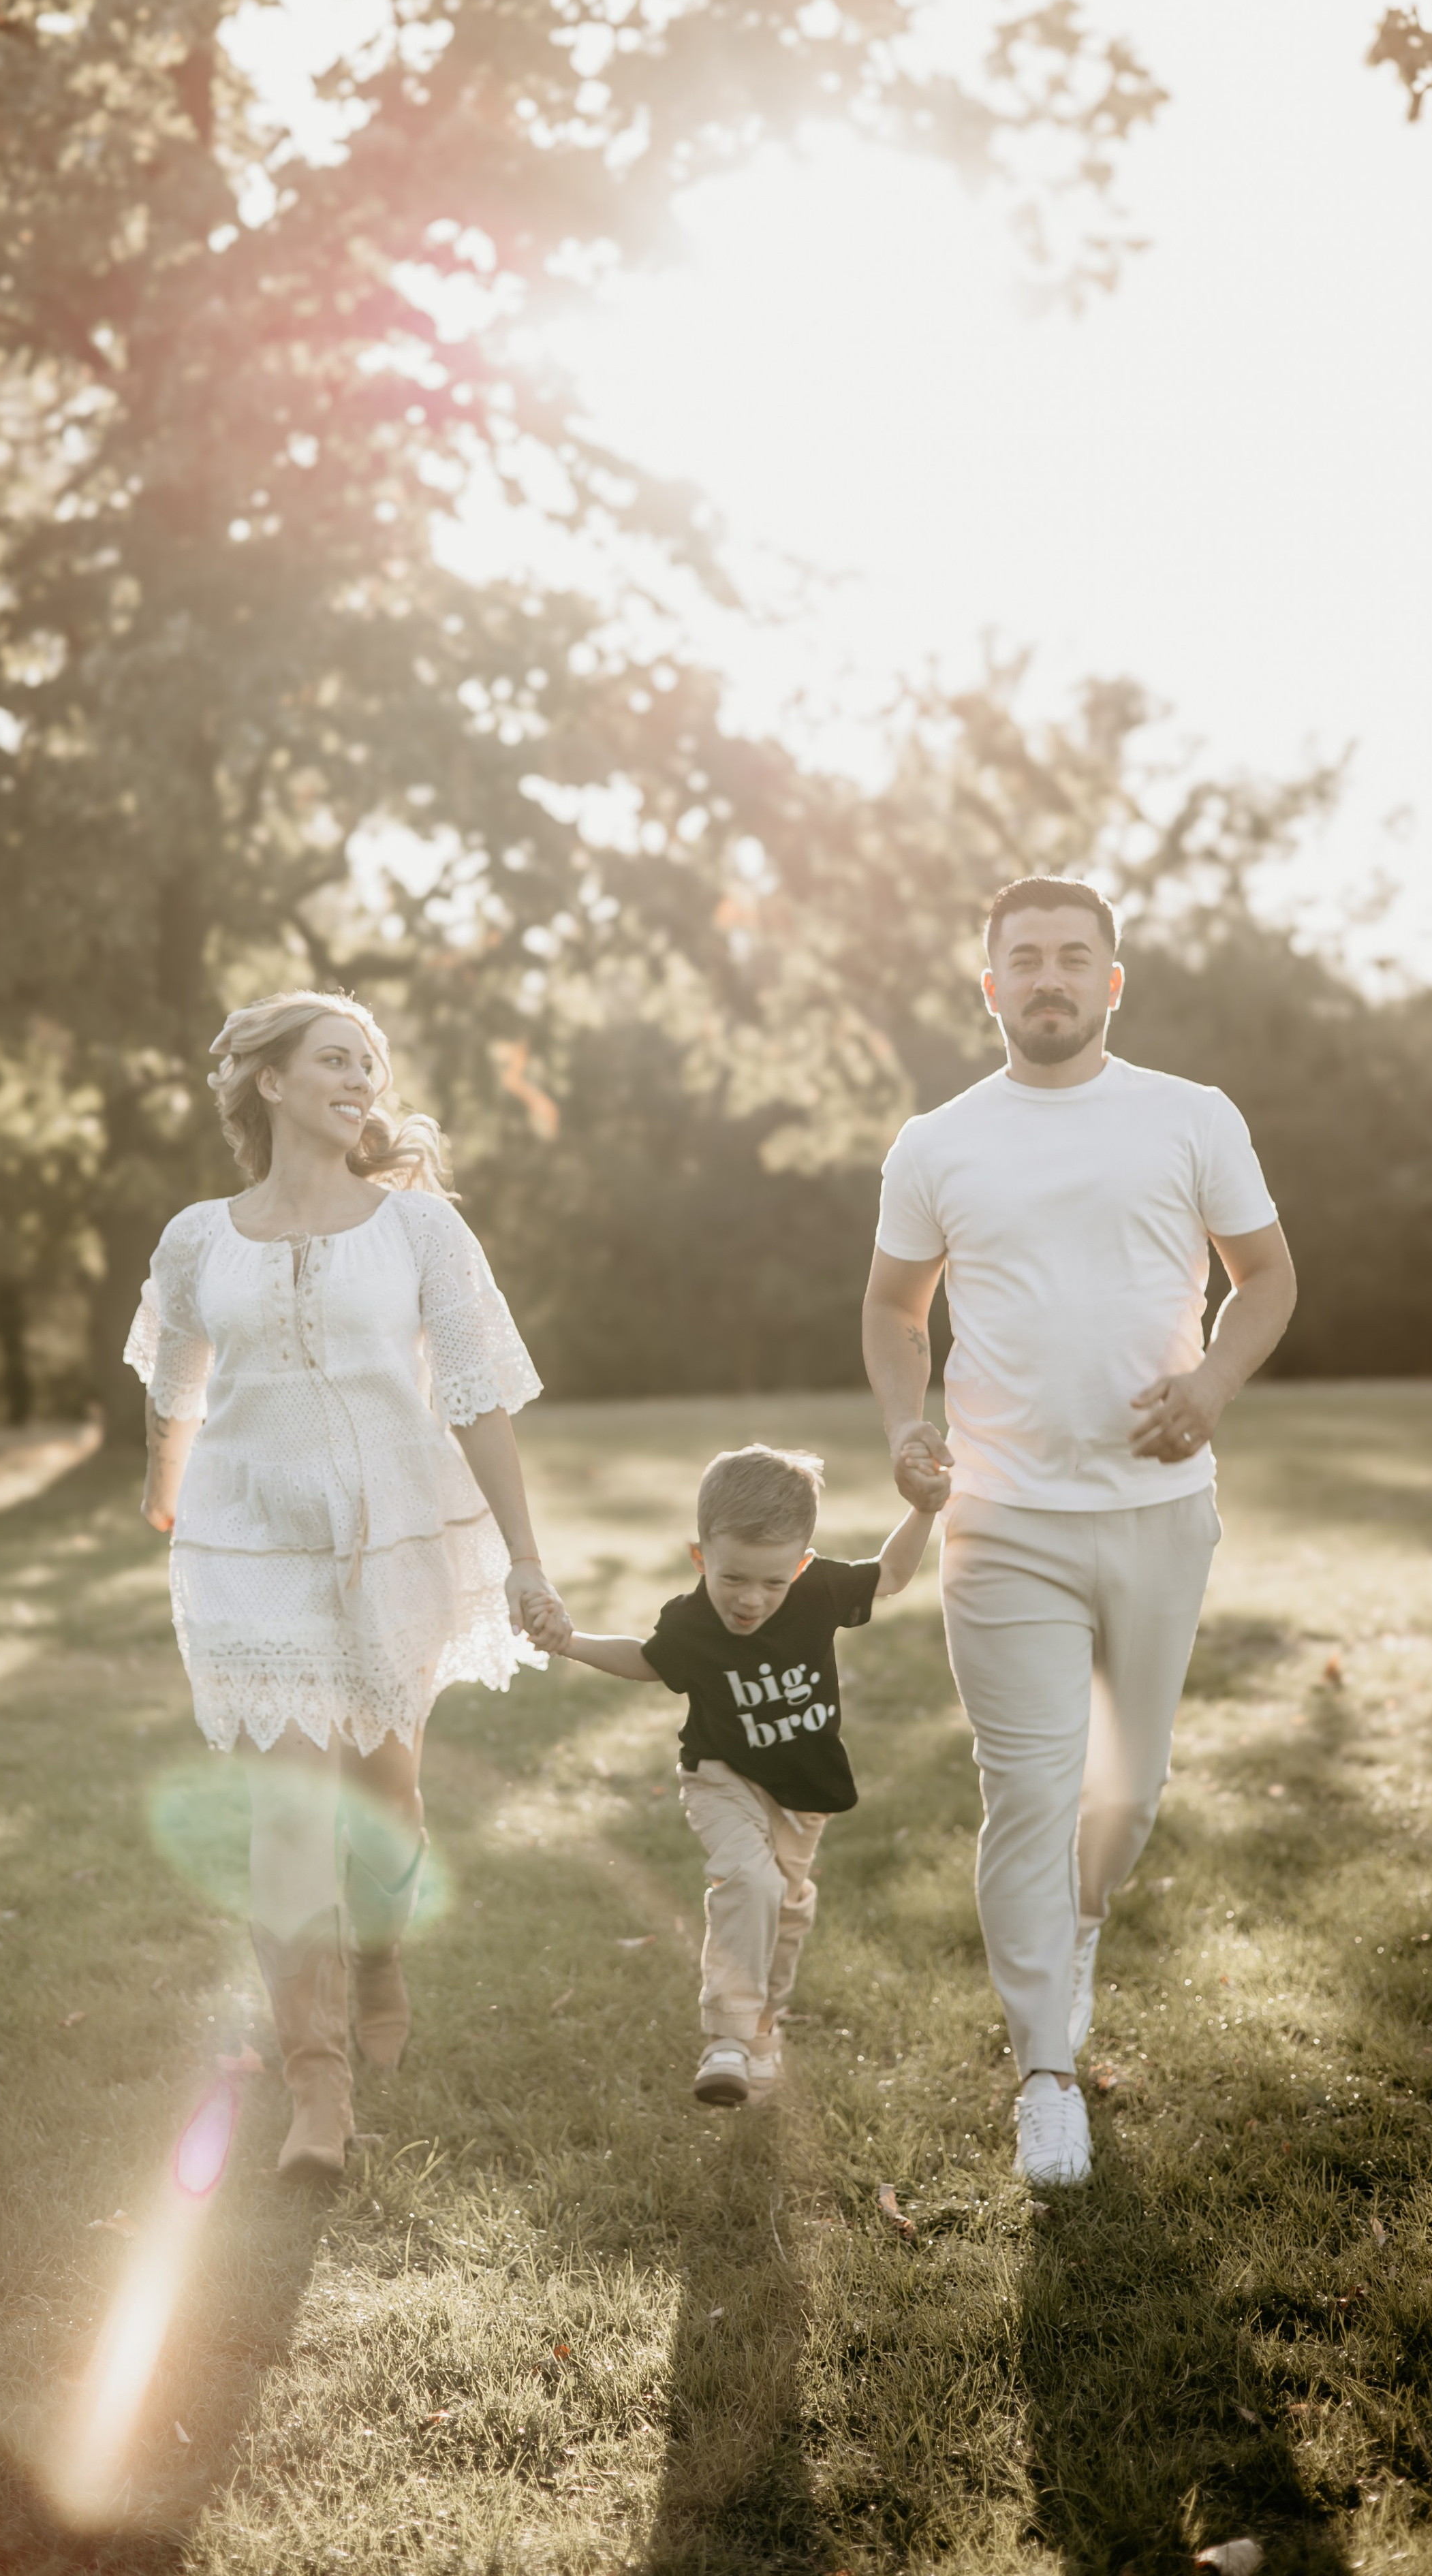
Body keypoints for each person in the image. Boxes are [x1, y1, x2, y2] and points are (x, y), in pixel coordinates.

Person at [862, 877, 1296, 2186]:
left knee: (1125, 1795)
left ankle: (1080, 1931)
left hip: (1160, 1517)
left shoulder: (1191, 1116)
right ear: (988, 986)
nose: (1048, 978)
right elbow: (895, 1311)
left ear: (1114, 980)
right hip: (1001, 1521)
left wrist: (1213, 1388)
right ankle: (1045, 2069)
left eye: (1073, 957)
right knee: (1030, 1793)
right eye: (1023, 960)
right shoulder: (936, 1142)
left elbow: (1266, 1276)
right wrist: (905, 1426)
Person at [127, 989, 569, 2181]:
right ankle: (316, 2095)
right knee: (285, 1814)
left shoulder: (422, 1235)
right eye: (335, 1059)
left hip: (390, 1542)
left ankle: (380, 1946)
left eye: (370, 1065)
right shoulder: (197, 1238)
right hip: (249, 1548)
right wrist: (165, 1488)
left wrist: (525, 1554)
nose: (361, 1080)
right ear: (268, 1082)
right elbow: (177, 1379)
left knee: (385, 1798)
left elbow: (476, 1395)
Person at [548, 1443, 939, 2107]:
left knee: (784, 1910)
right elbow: (647, 1660)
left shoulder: (817, 1591)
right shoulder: (690, 1622)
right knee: (747, 1880)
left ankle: (761, 2030)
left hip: (802, 1791)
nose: (751, 1600)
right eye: (732, 1579)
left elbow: (894, 1574)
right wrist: (569, 1641)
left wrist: (922, 1510)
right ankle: (725, 2037)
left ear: (802, 1565)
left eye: (772, 1582)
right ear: (700, 1556)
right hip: (721, 1776)